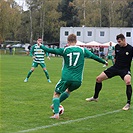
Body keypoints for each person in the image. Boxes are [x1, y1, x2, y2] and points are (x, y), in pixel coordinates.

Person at [39, 34, 108, 119]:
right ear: (76, 41)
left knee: (56, 94)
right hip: (78, 80)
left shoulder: (65, 50)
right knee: (68, 91)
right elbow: (94, 57)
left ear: (68, 41)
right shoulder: (83, 50)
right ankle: (55, 105)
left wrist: (41, 46)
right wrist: (104, 62)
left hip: (66, 78)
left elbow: (50, 50)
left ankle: (56, 114)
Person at [86, 34, 133, 111]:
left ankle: (128, 103)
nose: (119, 43)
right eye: (117, 41)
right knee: (98, 79)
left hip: (124, 69)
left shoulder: (130, 48)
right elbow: (115, 57)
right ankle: (95, 97)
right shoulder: (117, 47)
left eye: (120, 41)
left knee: (128, 81)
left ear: (124, 40)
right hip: (115, 68)